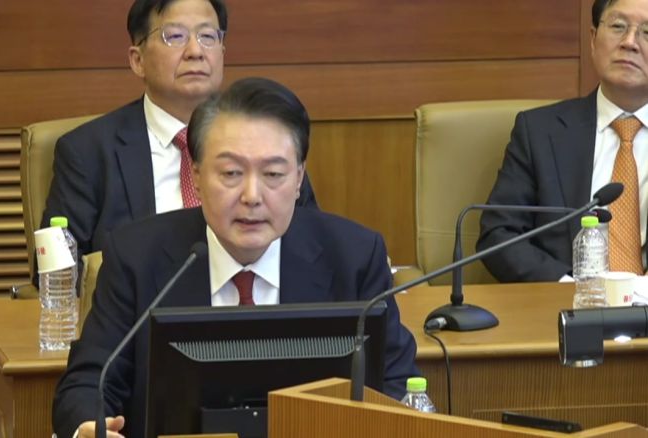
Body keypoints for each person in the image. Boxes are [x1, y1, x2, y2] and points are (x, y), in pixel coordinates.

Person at [51, 78, 419, 438]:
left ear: (298, 179)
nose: (252, 196)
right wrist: (88, 428)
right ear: (196, 176)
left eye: (273, 174)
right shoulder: (137, 256)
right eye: (231, 173)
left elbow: (394, 381)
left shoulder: (353, 257)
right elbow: (88, 383)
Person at [40, 0, 317, 279]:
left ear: (222, 53)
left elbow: (311, 249)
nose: (195, 51)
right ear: (138, 60)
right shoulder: (88, 152)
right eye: (175, 36)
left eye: (207, 36)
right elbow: (56, 273)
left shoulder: (271, 141)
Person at [477, 0, 648, 282]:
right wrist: (566, 288)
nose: (629, 42)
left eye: (646, 32)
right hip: (566, 303)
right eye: (618, 26)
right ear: (593, 38)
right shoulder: (539, 132)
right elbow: (499, 234)